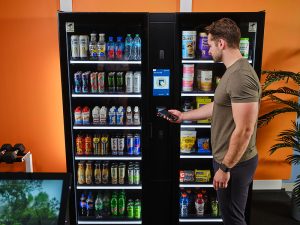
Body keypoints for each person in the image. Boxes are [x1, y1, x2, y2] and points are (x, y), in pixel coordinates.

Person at [166, 18, 261, 225]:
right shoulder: (233, 71)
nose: (207, 49)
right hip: (227, 158)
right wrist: (184, 116)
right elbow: (218, 106)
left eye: (209, 44)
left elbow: (245, 129)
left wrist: (225, 168)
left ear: (221, 44)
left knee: (233, 219)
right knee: (230, 216)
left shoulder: (241, 77)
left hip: (235, 163)